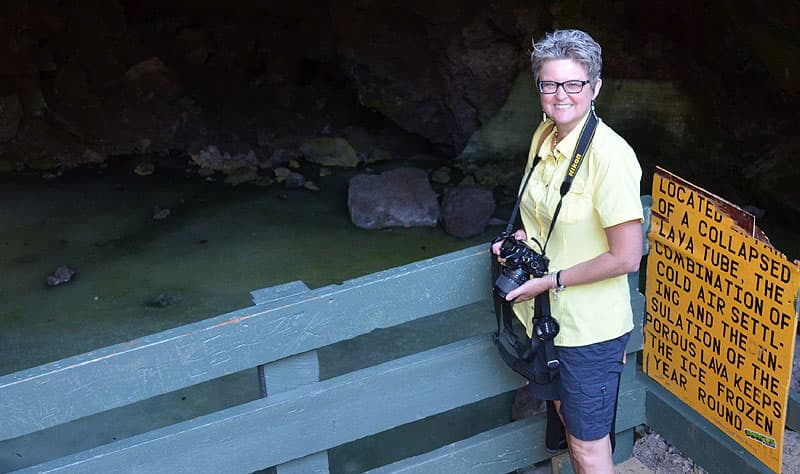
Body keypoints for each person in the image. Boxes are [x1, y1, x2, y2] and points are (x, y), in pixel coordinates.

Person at [492, 29, 643, 474]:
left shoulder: (610, 157)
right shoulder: (544, 135)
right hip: (544, 322)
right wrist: (518, 241)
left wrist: (551, 280)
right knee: (566, 424)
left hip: (589, 331)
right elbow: (539, 213)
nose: (561, 96)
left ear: (594, 88)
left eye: (574, 84)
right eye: (550, 84)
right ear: (538, 88)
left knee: (588, 445)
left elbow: (627, 257)